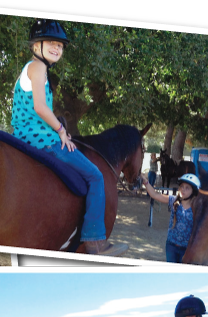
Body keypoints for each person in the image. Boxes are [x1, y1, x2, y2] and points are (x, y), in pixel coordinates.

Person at [11, 19, 127, 257]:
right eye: (51, 43)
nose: (57, 48)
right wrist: (61, 132)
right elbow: (41, 108)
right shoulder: (38, 68)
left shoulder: (30, 69)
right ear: (36, 46)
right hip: (41, 139)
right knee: (95, 176)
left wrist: (59, 128)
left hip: (27, 134)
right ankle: (95, 241)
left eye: (60, 45)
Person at [141, 172, 199, 263]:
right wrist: (146, 182)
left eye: (187, 188)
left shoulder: (197, 207)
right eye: (182, 187)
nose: (183, 190)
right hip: (171, 245)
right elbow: (154, 195)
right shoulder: (174, 200)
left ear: (194, 191)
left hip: (187, 249)